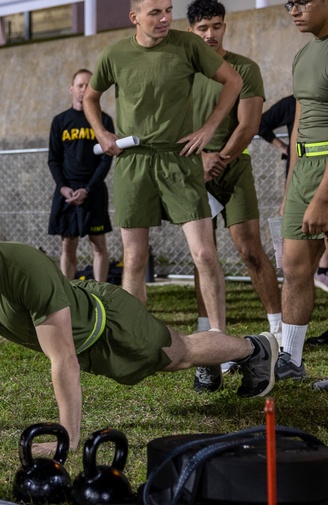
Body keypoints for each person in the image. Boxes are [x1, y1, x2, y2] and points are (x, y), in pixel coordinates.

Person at [0, 192, 277, 446]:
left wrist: (68, 435)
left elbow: (62, 357)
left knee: (180, 353)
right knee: (179, 357)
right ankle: (225, 359)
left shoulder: (24, 268)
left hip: (109, 324)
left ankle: (256, 349)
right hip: (84, 342)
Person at [83, 0, 243, 339]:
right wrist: (102, 132)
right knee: (135, 257)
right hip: (133, 161)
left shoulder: (188, 45)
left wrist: (209, 127)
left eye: (168, 10)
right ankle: (135, 341)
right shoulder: (114, 54)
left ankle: (218, 339)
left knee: (204, 252)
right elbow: (90, 97)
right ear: (135, 18)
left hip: (179, 159)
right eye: (155, 12)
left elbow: (233, 81)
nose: (165, 18)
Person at [186, 0, 283, 392]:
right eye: (203, 28)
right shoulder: (183, 71)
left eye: (217, 26)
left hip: (234, 167)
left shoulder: (244, 68)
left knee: (250, 250)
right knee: (201, 257)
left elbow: (250, 123)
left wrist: (220, 160)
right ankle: (213, 344)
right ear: (191, 30)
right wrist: (202, 161)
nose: (211, 34)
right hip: (194, 168)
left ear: (225, 27)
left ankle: (279, 337)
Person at [274, 0, 328, 381]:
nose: (294, 10)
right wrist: (291, 185)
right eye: (289, 3)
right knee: (294, 267)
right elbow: (298, 122)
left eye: (303, 1)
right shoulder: (303, 53)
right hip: (304, 168)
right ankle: (290, 360)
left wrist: (323, 196)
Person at [48, 69, 114, 284]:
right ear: (71, 89)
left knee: (98, 244)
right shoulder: (60, 121)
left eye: (88, 85)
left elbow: (106, 160)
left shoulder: (103, 120)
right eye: (80, 85)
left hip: (92, 191)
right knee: (68, 244)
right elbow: (54, 159)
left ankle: (100, 293)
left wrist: (89, 188)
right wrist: (62, 187)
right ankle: (68, 293)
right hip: (67, 192)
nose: (84, 89)